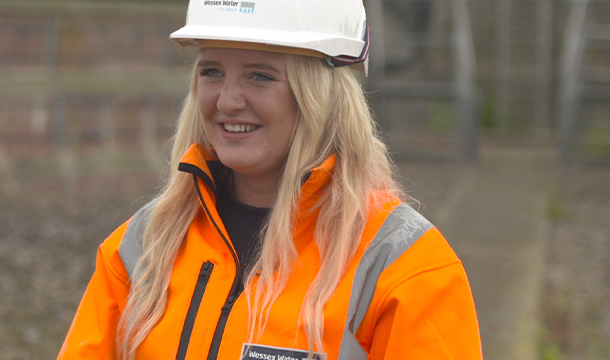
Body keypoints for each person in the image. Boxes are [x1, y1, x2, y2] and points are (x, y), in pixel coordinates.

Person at [58, 0, 483, 359]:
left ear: (319, 95)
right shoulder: (142, 246)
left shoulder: (403, 267)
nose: (227, 101)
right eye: (211, 71)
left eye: (260, 75)